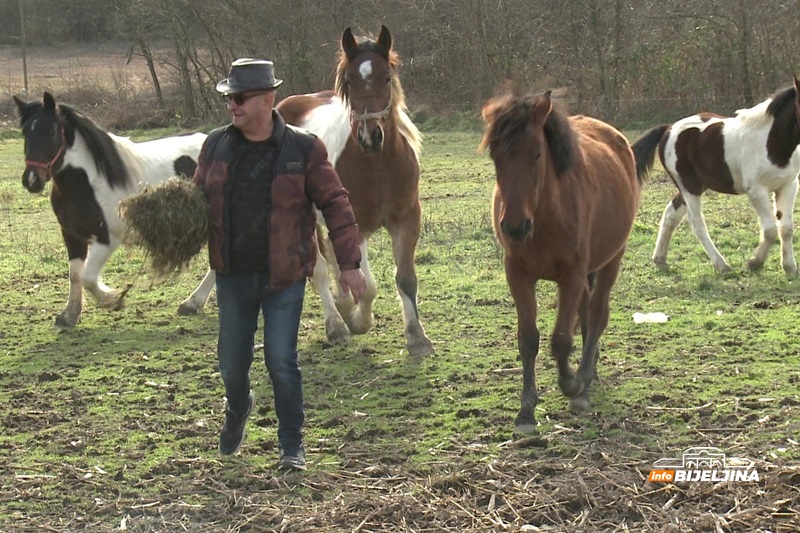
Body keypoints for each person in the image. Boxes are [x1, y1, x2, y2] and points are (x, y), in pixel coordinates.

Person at [192, 58, 366, 470]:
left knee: (281, 360)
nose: (231, 105)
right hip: (232, 274)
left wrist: (350, 263)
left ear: (267, 100)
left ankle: (292, 445)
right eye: (228, 98)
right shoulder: (215, 146)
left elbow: (336, 204)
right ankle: (239, 407)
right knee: (232, 365)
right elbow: (193, 202)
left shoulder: (303, 149)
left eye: (239, 98)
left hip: (285, 275)